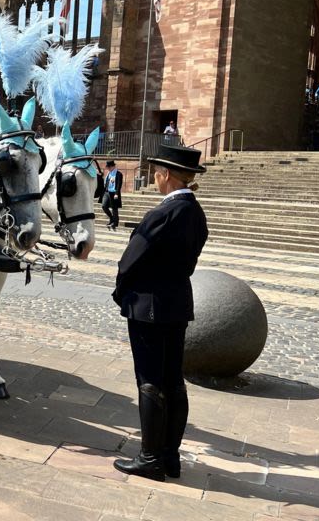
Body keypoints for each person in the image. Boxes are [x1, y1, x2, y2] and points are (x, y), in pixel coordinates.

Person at [112, 144, 208, 483]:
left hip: (148, 306)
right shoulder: (196, 213)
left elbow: (129, 261)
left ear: (165, 175)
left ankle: (150, 458)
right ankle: (170, 457)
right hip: (178, 302)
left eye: (156, 171)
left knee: (150, 381)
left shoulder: (162, 213)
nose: (154, 176)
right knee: (173, 381)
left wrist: (121, 292)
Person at [101, 160, 123, 230]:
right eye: (107, 167)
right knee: (104, 206)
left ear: (113, 166)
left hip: (114, 193)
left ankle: (115, 222)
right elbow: (105, 183)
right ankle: (111, 218)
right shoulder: (108, 174)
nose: (108, 168)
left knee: (114, 208)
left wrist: (116, 193)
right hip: (107, 192)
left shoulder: (118, 174)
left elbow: (119, 185)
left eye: (109, 167)